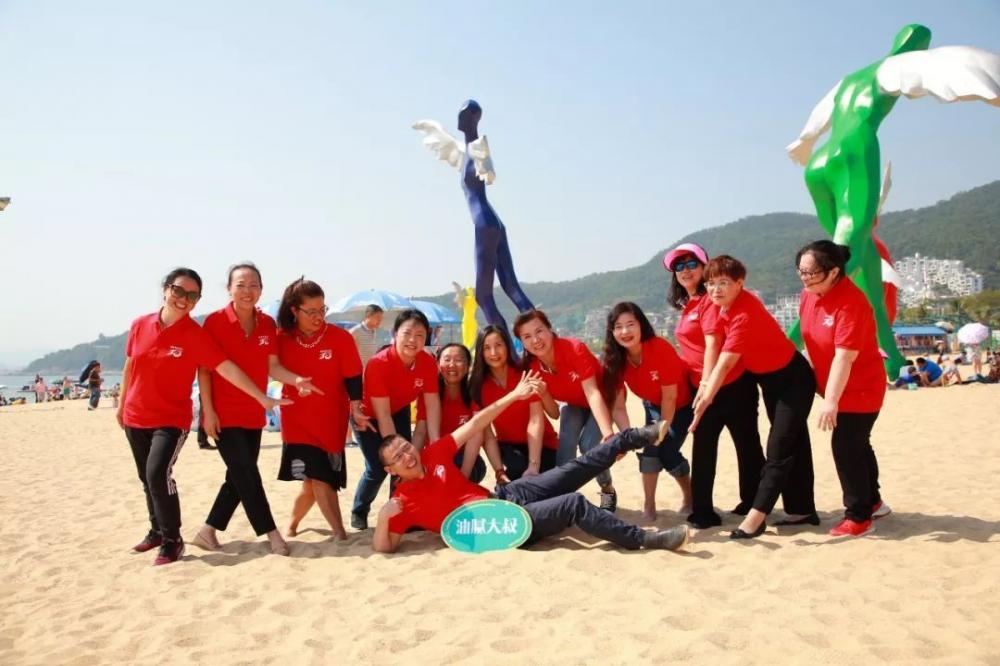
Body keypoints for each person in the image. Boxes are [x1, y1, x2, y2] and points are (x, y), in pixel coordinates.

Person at [372, 371, 691, 554]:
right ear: (391, 470)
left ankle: (635, 436)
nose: (407, 456)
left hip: (503, 495)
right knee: (574, 503)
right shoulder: (403, 501)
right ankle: (646, 539)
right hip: (499, 526)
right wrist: (384, 518)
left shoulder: (432, 454)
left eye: (406, 447)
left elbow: (477, 423)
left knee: (573, 469)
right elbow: (384, 548)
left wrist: (513, 395)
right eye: (398, 457)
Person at [117, 267, 289, 565]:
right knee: (149, 478)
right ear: (165, 289)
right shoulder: (140, 324)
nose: (183, 299)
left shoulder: (196, 334)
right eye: (178, 291)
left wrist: (261, 397)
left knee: (159, 474)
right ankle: (161, 531)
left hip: (173, 418)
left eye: (192, 295)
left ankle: (173, 540)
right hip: (136, 414)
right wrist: (121, 405)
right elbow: (130, 366)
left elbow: (224, 368)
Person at [191, 264, 324, 556]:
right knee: (248, 474)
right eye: (240, 285)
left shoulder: (266, 324)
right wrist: (208, 412)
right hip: (223, 414)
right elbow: (205, 371)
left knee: (239, 476)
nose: (247, 291)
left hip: (254, 412)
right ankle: (271, 533)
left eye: (253, 285)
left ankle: (207, 531)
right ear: (229, 289)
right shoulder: (214, 322)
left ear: (261, 289)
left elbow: (272, 366)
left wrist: (296, 379)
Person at [691, 256, 818, 540]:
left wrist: (705, 399)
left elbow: (725, 363)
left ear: (740, 283)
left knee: (778, 448)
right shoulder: (723, 306)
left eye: (723, 283)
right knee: (795, 442)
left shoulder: (744, 313)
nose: (715, 289)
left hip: (793, 380)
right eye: (710, 283)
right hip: (769, 383)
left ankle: (756, 517)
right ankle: (802, 510)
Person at [665, 243, 764, 528]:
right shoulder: (689, 304)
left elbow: (713, 343)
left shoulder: (709, 300)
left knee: (746, 444)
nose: (685, 270)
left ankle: (753, 503)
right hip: (703, 387)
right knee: (704, 446)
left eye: (691, 264)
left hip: (731, 384)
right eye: (679, 266)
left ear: (704, 267)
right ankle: (703, 510)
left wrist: (707, 385)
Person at [797, 241, 891, 537]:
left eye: (812, 273)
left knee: (846, 447)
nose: (805, 278)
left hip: (861, 387)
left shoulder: (851, 302)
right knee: (859, 444)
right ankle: (873, 501)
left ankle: (859, 517)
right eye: (801, 271)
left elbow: (844, 356)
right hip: (833, 385)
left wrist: (831, 401)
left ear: (834, 271)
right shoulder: (808, 295)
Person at [271, 278, 368, 540]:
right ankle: (339, 533)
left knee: (312, 482)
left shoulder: (340, 337)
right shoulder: (281, 338)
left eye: (322, 309)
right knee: (320, 477)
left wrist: (356, 408)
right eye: (311, 311)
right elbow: (270, 368)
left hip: (331, 419)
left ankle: (292, 524)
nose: (318, 316)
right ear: (294, 310)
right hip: (297, 419)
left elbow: (353, 376)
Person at [514, 309, 619, 512]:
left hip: (601, 399)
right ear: (522, 342)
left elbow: (592, 393)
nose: (535, 340)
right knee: (565, 449)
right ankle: (563, 500)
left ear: (549, 329)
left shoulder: (573, 348)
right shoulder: (532, 368)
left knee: (589, 446)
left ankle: (607, 488)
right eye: (527, 336)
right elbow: (554, 413)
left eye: (539, 331)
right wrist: (544, 393)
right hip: (573, 404)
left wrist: (608, 435)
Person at [602, 302, 693, 521]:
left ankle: (690, 499)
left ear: (641, 325)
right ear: (612, 332)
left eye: (630, 324)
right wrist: (627, 438)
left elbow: (670, 398)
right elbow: (618, 406)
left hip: (681, 405)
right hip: (652, 404)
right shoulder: (615, 359)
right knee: (650, 451)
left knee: (667, 450)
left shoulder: (659, 347)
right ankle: (649, 506)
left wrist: (662, 430)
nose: (625, 331)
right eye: (618, 327)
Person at [351, 309, 441, 530]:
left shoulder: (428, 362)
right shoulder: (378, 364)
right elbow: (382, 414)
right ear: (395, 334)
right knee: (378, 467)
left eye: (419, 335)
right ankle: (359, 511)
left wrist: (436, 441)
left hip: (399, 410)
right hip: (369, 415)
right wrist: (396, 453)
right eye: (407, 333)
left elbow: (432, 404)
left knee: (404, 467)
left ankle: (400, 512)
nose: (413, 340)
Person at [469, 324, 559, 482]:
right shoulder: (478, 386)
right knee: (517, 469)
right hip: (510, 448)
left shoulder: (525, 373)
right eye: (487, 348)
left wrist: (534, 465)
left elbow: (536, 420)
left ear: (507, 346)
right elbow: (488, 436)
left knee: (544, 483)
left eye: (498, 345)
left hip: (543, 443)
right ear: (480, 352)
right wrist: (499, 471)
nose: (493, 353)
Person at [412, 343, 488, 482]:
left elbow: (477, 433)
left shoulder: (474, 392)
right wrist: (412, 463)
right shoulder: (428, 395)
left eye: (459, 360)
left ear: (468, 366)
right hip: (436, 459)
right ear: (438, 364)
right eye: (447, 359)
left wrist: (464, 476)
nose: (452, 365)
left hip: (466, 460)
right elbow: (420, 432)